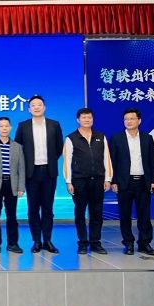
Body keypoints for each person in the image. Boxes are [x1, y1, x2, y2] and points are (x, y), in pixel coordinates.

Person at [14, 95, 64, 254]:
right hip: (31, 172)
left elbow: (59, 147)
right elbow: (18, 148)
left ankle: (47, 240)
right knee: (33, 208)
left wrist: (49, 161)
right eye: (33, 105)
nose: (36, 107)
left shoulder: (54, 125)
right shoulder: (23, 126)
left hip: (49, 172)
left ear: (44, 107)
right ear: (29, 109)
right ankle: (36, 241)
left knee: (48, 208)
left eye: (39, 105)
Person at [110, 108, 154, 256]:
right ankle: (128, 243)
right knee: (124, 215)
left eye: (132, 118)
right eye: (126, 119)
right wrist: (113, 181)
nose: (129, 121)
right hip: (124, 182)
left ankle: (144, 243)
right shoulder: (117, 138)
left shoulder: (147, 138)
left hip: (143, 182)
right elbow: (113, 162)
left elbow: (152, 161)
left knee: (144, 215)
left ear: (139, 120)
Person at [63, 107, 113, 255]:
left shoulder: (101, 137)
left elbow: (107, 159)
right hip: (79, 181)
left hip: (98, 180)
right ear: (78, 120)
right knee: (80, 213)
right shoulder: (71, 138)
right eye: (84, 117)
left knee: (97, 213)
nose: (87, 120)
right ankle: (83, 243)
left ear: (93, 119)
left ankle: (96, 243)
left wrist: (108, 179)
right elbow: (67, 161)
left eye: (89, 117)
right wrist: (68, 181)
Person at [0, 117, 26, 254]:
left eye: (6, 126)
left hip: (12, 184)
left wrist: (21, 187)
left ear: (10, 128)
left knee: (12, 216)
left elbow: (21, 168)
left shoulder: (17, 147)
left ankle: (13, 244)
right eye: (1, 126)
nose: (4, 128)